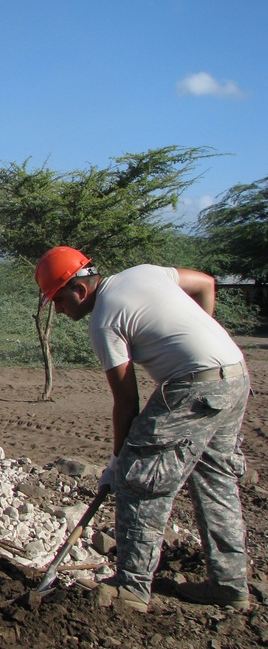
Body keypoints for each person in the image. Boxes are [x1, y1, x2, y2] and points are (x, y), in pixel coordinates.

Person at [35, 246, 250, 612]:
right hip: (234, 374)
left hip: (194, 388)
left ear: (81, 290)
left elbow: (127, 404)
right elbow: (205, 284)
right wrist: (200, 339)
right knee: (215, 480)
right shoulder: (146, 272)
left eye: (58, 299)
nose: (58, 309)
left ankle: (131, 587)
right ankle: (229, 584)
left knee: (141, 479)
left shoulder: (104, 320)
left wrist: (118, 462)